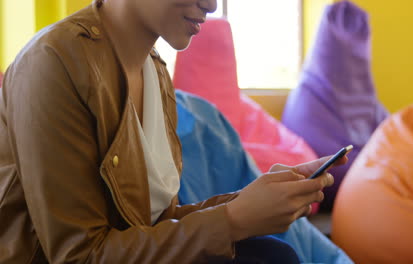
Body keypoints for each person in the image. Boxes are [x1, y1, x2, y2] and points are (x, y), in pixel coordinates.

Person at [0, 0, 347, 263]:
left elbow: (155, 226)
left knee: (270, 254)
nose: (211, 5)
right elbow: (79, 255)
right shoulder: (53, 62)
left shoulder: (155, 70)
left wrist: (250, 202)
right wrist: (233, 220)